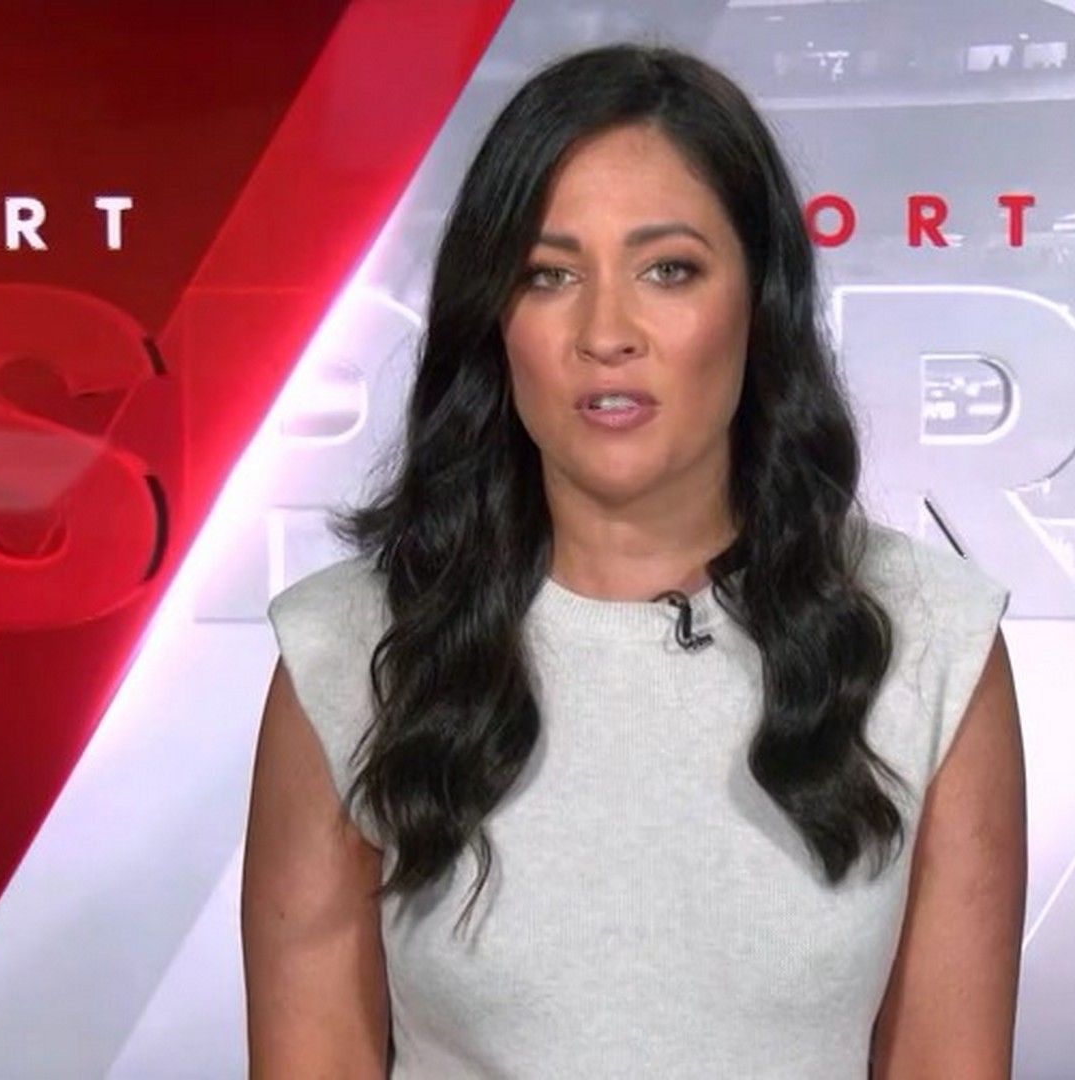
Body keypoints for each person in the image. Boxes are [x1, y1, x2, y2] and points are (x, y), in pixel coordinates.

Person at [242, 41, 1024, 1079]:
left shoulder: (929, 641)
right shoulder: (350, 648)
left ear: (760, 302)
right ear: (495, 320)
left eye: (668, 270)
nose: (606, 331)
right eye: (550, 275)